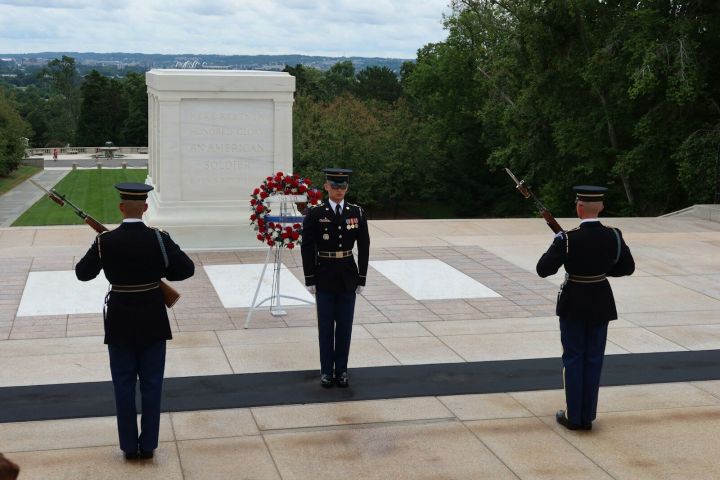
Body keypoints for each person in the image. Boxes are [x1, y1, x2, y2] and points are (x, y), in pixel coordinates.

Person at [75, 183, 195, 459]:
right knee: (153, 384)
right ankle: (149, 445)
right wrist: (159, 274)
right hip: (153, 316)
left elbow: (83, 274)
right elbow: (186, 270)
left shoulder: (105, 241)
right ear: (145, 207)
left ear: (120, 207)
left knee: (123, 384)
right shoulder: (159, 238)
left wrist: (105, 256)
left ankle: (129, 447)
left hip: (119, 320)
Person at [536, 185, 635, 430]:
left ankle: (574, 417)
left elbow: (543, 269)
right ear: (600, 207)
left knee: (573, 358)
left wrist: (556, 244)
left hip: (574, 303)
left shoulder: (568, 238)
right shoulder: (614, 235)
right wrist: (600, 270)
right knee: (593, 359)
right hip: (601, 301)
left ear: (579, 207)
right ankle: (587, 416)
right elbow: (626, 268)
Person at [301, 168, 370, 388]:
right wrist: (310, 278)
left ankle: (341, 370)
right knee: (325, 326)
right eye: (335, 186)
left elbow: (364, 246)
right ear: (326, 187)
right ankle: (326, 371)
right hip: (324, 274)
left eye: (343, 187)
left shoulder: (356, 212)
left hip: (348, 275)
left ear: (347, 188)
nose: (339, 190)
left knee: (345, 326)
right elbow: (307, 247)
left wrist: (362, 277)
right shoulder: (315, 213)